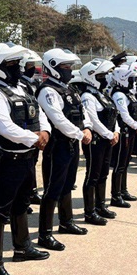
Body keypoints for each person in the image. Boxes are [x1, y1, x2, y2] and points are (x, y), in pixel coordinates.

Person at [0, 43, 50, 275]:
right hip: (6, 161)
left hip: (28, 158)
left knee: (22, 205)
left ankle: (22, 248)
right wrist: (35, 138)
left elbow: (39, 113)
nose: (15, 68)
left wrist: (45, 132)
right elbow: (4, 127)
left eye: (16, 63)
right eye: (9, 64)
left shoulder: (23, 87)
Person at [36, 48, 92, 251]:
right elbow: (57, 119)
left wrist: (85, 127)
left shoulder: (69, 89)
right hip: (57, 145)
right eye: (65, 67)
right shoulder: (48, 90)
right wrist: (80, 134)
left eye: (70, 67)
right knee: (53, 188)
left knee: (68, 184)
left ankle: (66, 222)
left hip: (71, 143)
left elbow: (80, 112)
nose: (69, 70)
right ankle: (45, 234)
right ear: (53, 67)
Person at [76, 58, 119, 224]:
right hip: (96, 141)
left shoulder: (101, 94)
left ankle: (101, 205)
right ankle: (89, 211)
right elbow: (93, 120)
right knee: (92, 175)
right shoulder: (87, 96)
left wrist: (116, 131)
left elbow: (113, 114)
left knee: (103, 173)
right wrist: (109, 134)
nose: (104, 78)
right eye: (101, 75)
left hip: (108, 139)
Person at [110, 64, 137, 206]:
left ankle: (123, 190)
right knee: (120, 164)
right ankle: (116, 195)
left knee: (126, 162)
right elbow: (124, 115)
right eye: (130, 78)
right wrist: (136, 126)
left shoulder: (128, 92)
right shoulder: (119, 94)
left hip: (132, 130)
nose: (133, 81)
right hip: (124, 132)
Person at [20, 49, 44, 204]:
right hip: (25, 131)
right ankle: (25, 195)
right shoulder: (21, 85)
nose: (32, 68)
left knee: (32, 163)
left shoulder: (32, 83)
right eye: (29, 65)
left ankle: (31, 191)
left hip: (35, 128)